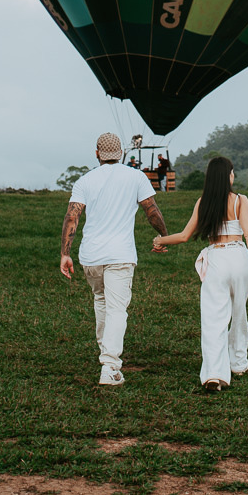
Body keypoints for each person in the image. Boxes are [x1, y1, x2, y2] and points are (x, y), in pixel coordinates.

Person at [60, 132, 169, 387]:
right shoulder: (136, 177)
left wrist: (65, 253)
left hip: (91, 255)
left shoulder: (84, 181)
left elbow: (71, 217)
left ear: (97, 153)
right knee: (117, 308)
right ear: (120, 153)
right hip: (120, 254)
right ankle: (110, 366)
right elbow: (151, 210)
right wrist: (164, 236)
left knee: (101, 301)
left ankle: (106, 354)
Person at [153, 156, 248, 393]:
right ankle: (238, 363)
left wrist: (160, 240)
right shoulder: (240, 201)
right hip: (239, 258)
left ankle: (215, 374)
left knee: (214, 318)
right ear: (229, 176)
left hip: (216, 258)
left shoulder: (203, 202)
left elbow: (184, 236)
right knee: (239, 313)